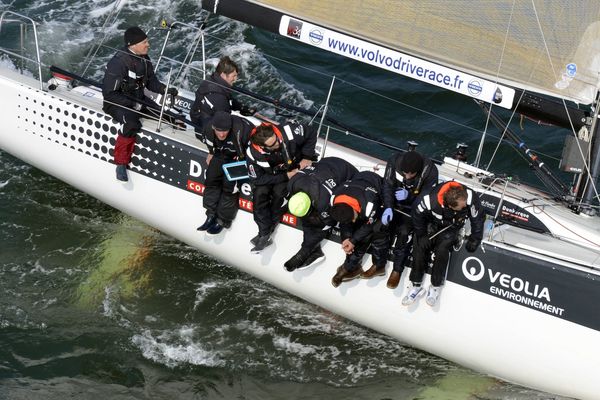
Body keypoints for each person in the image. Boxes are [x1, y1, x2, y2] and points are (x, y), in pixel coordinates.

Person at [102, 26, 179, 182]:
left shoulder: (145, 59)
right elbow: (109, 94)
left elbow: (151, 83)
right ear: (133, 44)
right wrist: (132, 104)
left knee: (168, 117)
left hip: (138, 99)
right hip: (117, 103)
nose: (148, 44)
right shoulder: (118, 63)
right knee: (131, 124)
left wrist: (165, 89)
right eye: (144, 42)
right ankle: (121, 164)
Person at [402, 181, 484, 306]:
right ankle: (415, 284)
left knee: (442, 249)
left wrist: (476, 237)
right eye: (461, 207)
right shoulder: (428, 199)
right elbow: (417, 215)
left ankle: (435, 286)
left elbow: (477, 218)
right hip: (432, 222)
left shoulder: (469, 197)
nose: (464, 208)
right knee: (419, 245)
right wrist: (421, 234)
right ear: (450, 206)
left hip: (452, 226)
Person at [246, 121, 318, 253]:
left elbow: (311, 132)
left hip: (295, 167)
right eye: (272, 144)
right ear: (263, 147)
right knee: (259, 195)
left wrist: (307, 157)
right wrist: (285, 176)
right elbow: (257, 179)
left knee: (280, 193)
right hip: (273, 175)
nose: (278, 143)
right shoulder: (253, 154)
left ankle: (269, 228)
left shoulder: (289, 132)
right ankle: (264, 233)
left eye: (276, 139)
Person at [285, 157, 358, 271]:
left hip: (350, 175)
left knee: (320, 224)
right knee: (309, 219)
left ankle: (308, 251)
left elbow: (328, 223)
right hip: (327, 163)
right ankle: (309, 249)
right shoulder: (292, 183)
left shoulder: (322, 201)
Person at [379, 151, 438, 289]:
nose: (407, 176)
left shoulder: (430, 171)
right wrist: (388, 207)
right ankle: (378, 265)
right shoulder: (394, 160)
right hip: (394, 204)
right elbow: (387, 185)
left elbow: (426, 199)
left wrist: (409, 196)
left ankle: (397, 270)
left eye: (411, 174)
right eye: (405, 173)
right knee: (379, 226)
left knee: (404, 232)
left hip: (414, 207)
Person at [196, 111, 254, 234]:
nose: (222, 134)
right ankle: (211, 214)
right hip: (221, 153)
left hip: (240, 158)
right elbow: (210, 145)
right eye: (219, 130)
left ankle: (223, 220)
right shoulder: (207, 129)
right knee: (211, 179)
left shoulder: (243, 131)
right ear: (213, 127)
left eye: (225, 130)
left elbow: (254, 150)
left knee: (230, 187)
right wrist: (211, 152)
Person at [329, 171, 388, 288]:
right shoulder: (335, 200)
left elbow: (368, 226)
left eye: (353, 218)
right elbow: (344, 221)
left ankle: (350, 266)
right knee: (351, 229)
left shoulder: (370, 205)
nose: (353, 221)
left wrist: (353, 240)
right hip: (357, 180)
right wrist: (346, 238)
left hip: (377, 187)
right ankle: (350, 265)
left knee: (365, 233)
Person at [190, 56, 253, 139]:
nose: (235, 79)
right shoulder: (219, 99)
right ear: (223, 75)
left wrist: (241, 108)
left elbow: (228, 99)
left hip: (198, 120)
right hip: (206, 133)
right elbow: (225, 121)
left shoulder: (209, 82)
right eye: (233, 76)